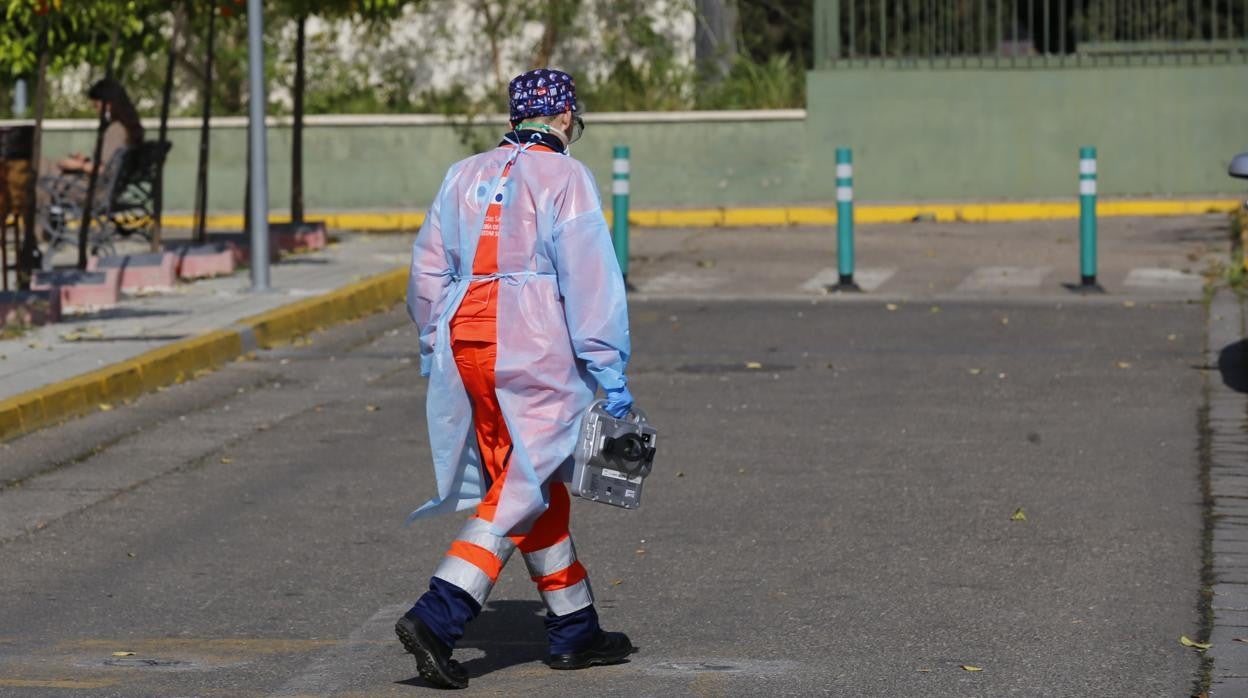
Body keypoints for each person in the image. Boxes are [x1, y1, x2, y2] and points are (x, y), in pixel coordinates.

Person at [396, 68, 636, 689]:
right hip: (531, 343)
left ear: (513, 118)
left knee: (525, 475)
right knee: (526, 480)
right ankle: (439, 614)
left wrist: (432, 343)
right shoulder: (567, 177)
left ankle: (575, 626)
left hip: (466, 341)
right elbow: (589, 277)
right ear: (563, 118)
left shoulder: (463, 174)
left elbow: (427, 271)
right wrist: (608, 368)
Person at [43, 77, 143, 178]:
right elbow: (108, 163)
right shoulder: (126, 128)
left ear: (108, 104)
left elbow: (105, 170)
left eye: (96, 105)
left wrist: (80, 165)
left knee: (42, 166)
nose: (96, 110)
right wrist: (86, 161)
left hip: (92, 189)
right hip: (99, 186)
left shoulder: (116, 130)